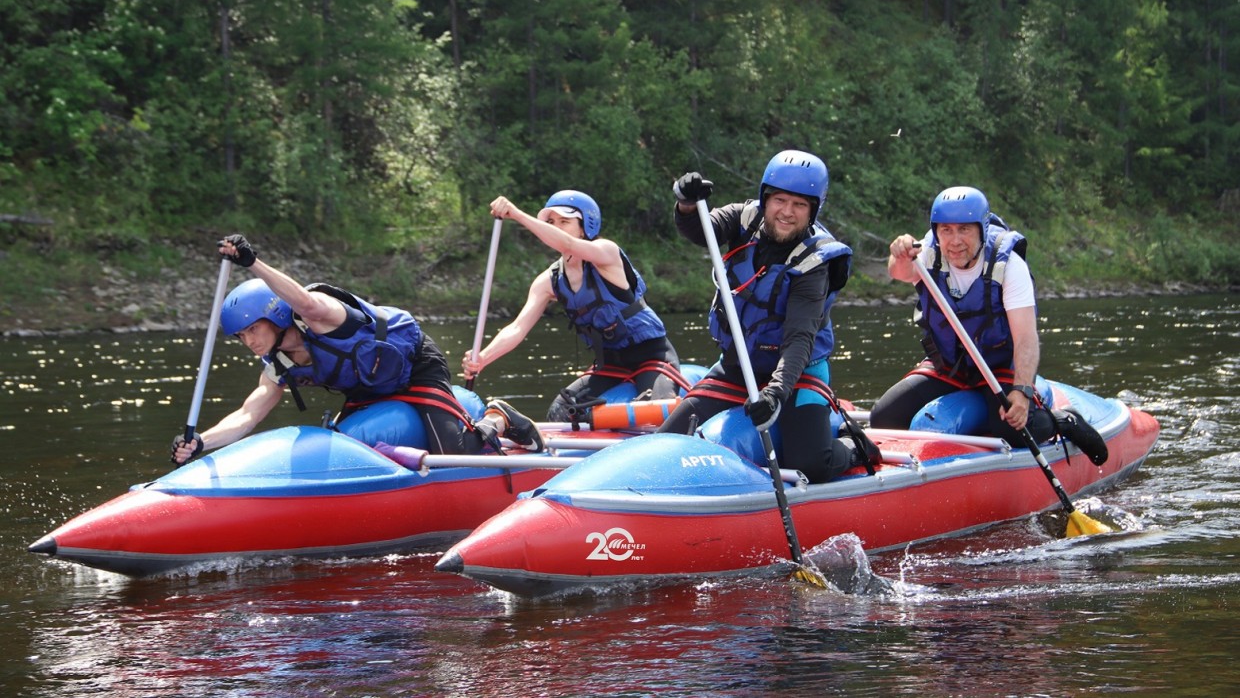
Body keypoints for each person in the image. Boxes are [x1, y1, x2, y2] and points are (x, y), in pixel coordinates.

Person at [171, 234, 544, 465]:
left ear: (276, 314)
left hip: (415, 367)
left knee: (458, 455)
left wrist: (253, 264)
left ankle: (499, 417)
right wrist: (201, 441)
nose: (250, 341)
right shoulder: (278, 364)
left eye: (254, 329)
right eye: (242, 337)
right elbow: (247, 416)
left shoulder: (320, 314)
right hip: (370, 390)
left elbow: (304, 300)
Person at [656, 150, 879, 484]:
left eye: (800, 205)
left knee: (812, 464)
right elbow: (701, 230)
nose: (787, 213)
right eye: (780, 200)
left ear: (813, 209)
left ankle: (855, 444)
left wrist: (774, 393)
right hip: (737, 368)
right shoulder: (742, 219)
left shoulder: (815, 262)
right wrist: (687, 204)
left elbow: (800, 339)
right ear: (765, 198)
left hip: (798, 374)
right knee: (669, 440)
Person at [870, 186, 1109, 465]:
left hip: (999, 365)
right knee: (884, 417)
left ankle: (1062, 421)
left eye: (964, 230)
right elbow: (899, 271)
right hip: (951, 364)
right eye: (946, 230)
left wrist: (1021, 392)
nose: (955, 241)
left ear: (981, 230)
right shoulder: (927, 255)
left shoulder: (1008, 266)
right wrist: (899, 254)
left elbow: (1026, 339)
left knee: (1012, 429)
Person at [460, 190, 686, 421]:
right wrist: (483, 358)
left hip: (652, 356)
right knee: (559, 411)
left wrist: (516, 214)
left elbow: (568, 243)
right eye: (551, 222)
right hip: (609, 365)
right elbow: (518, 328)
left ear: (585, 225)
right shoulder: (549, 281)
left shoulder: (605, 252)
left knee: (655, 412)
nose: (556, 227)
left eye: (564, 221)